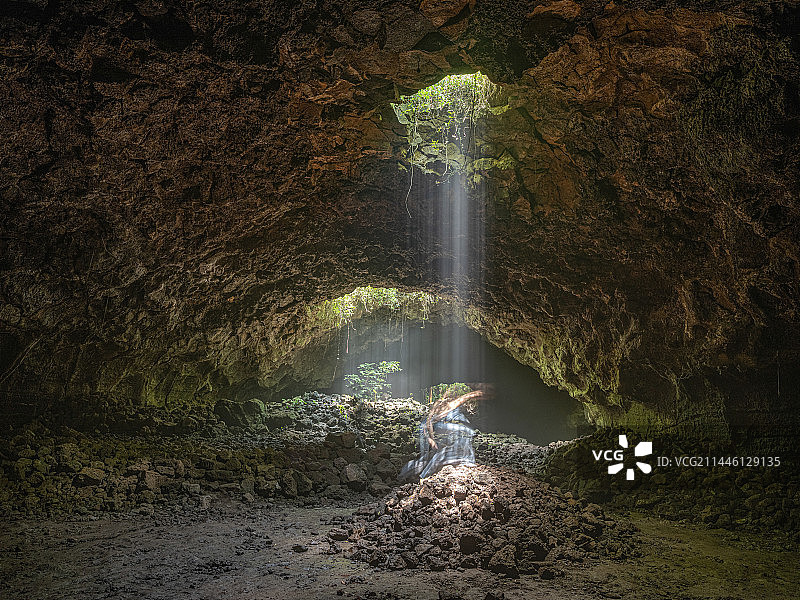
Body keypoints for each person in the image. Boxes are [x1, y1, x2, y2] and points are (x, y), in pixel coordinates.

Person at [399, 385, 490, 482]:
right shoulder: (446, 406)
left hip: (434, 435)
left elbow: (430, 422)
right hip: (427, 435)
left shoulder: (444, 407)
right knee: (433, 457)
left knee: (433, 457)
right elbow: (428, 423)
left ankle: (416, 477)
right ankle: (420, 478)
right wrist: (431, 439)